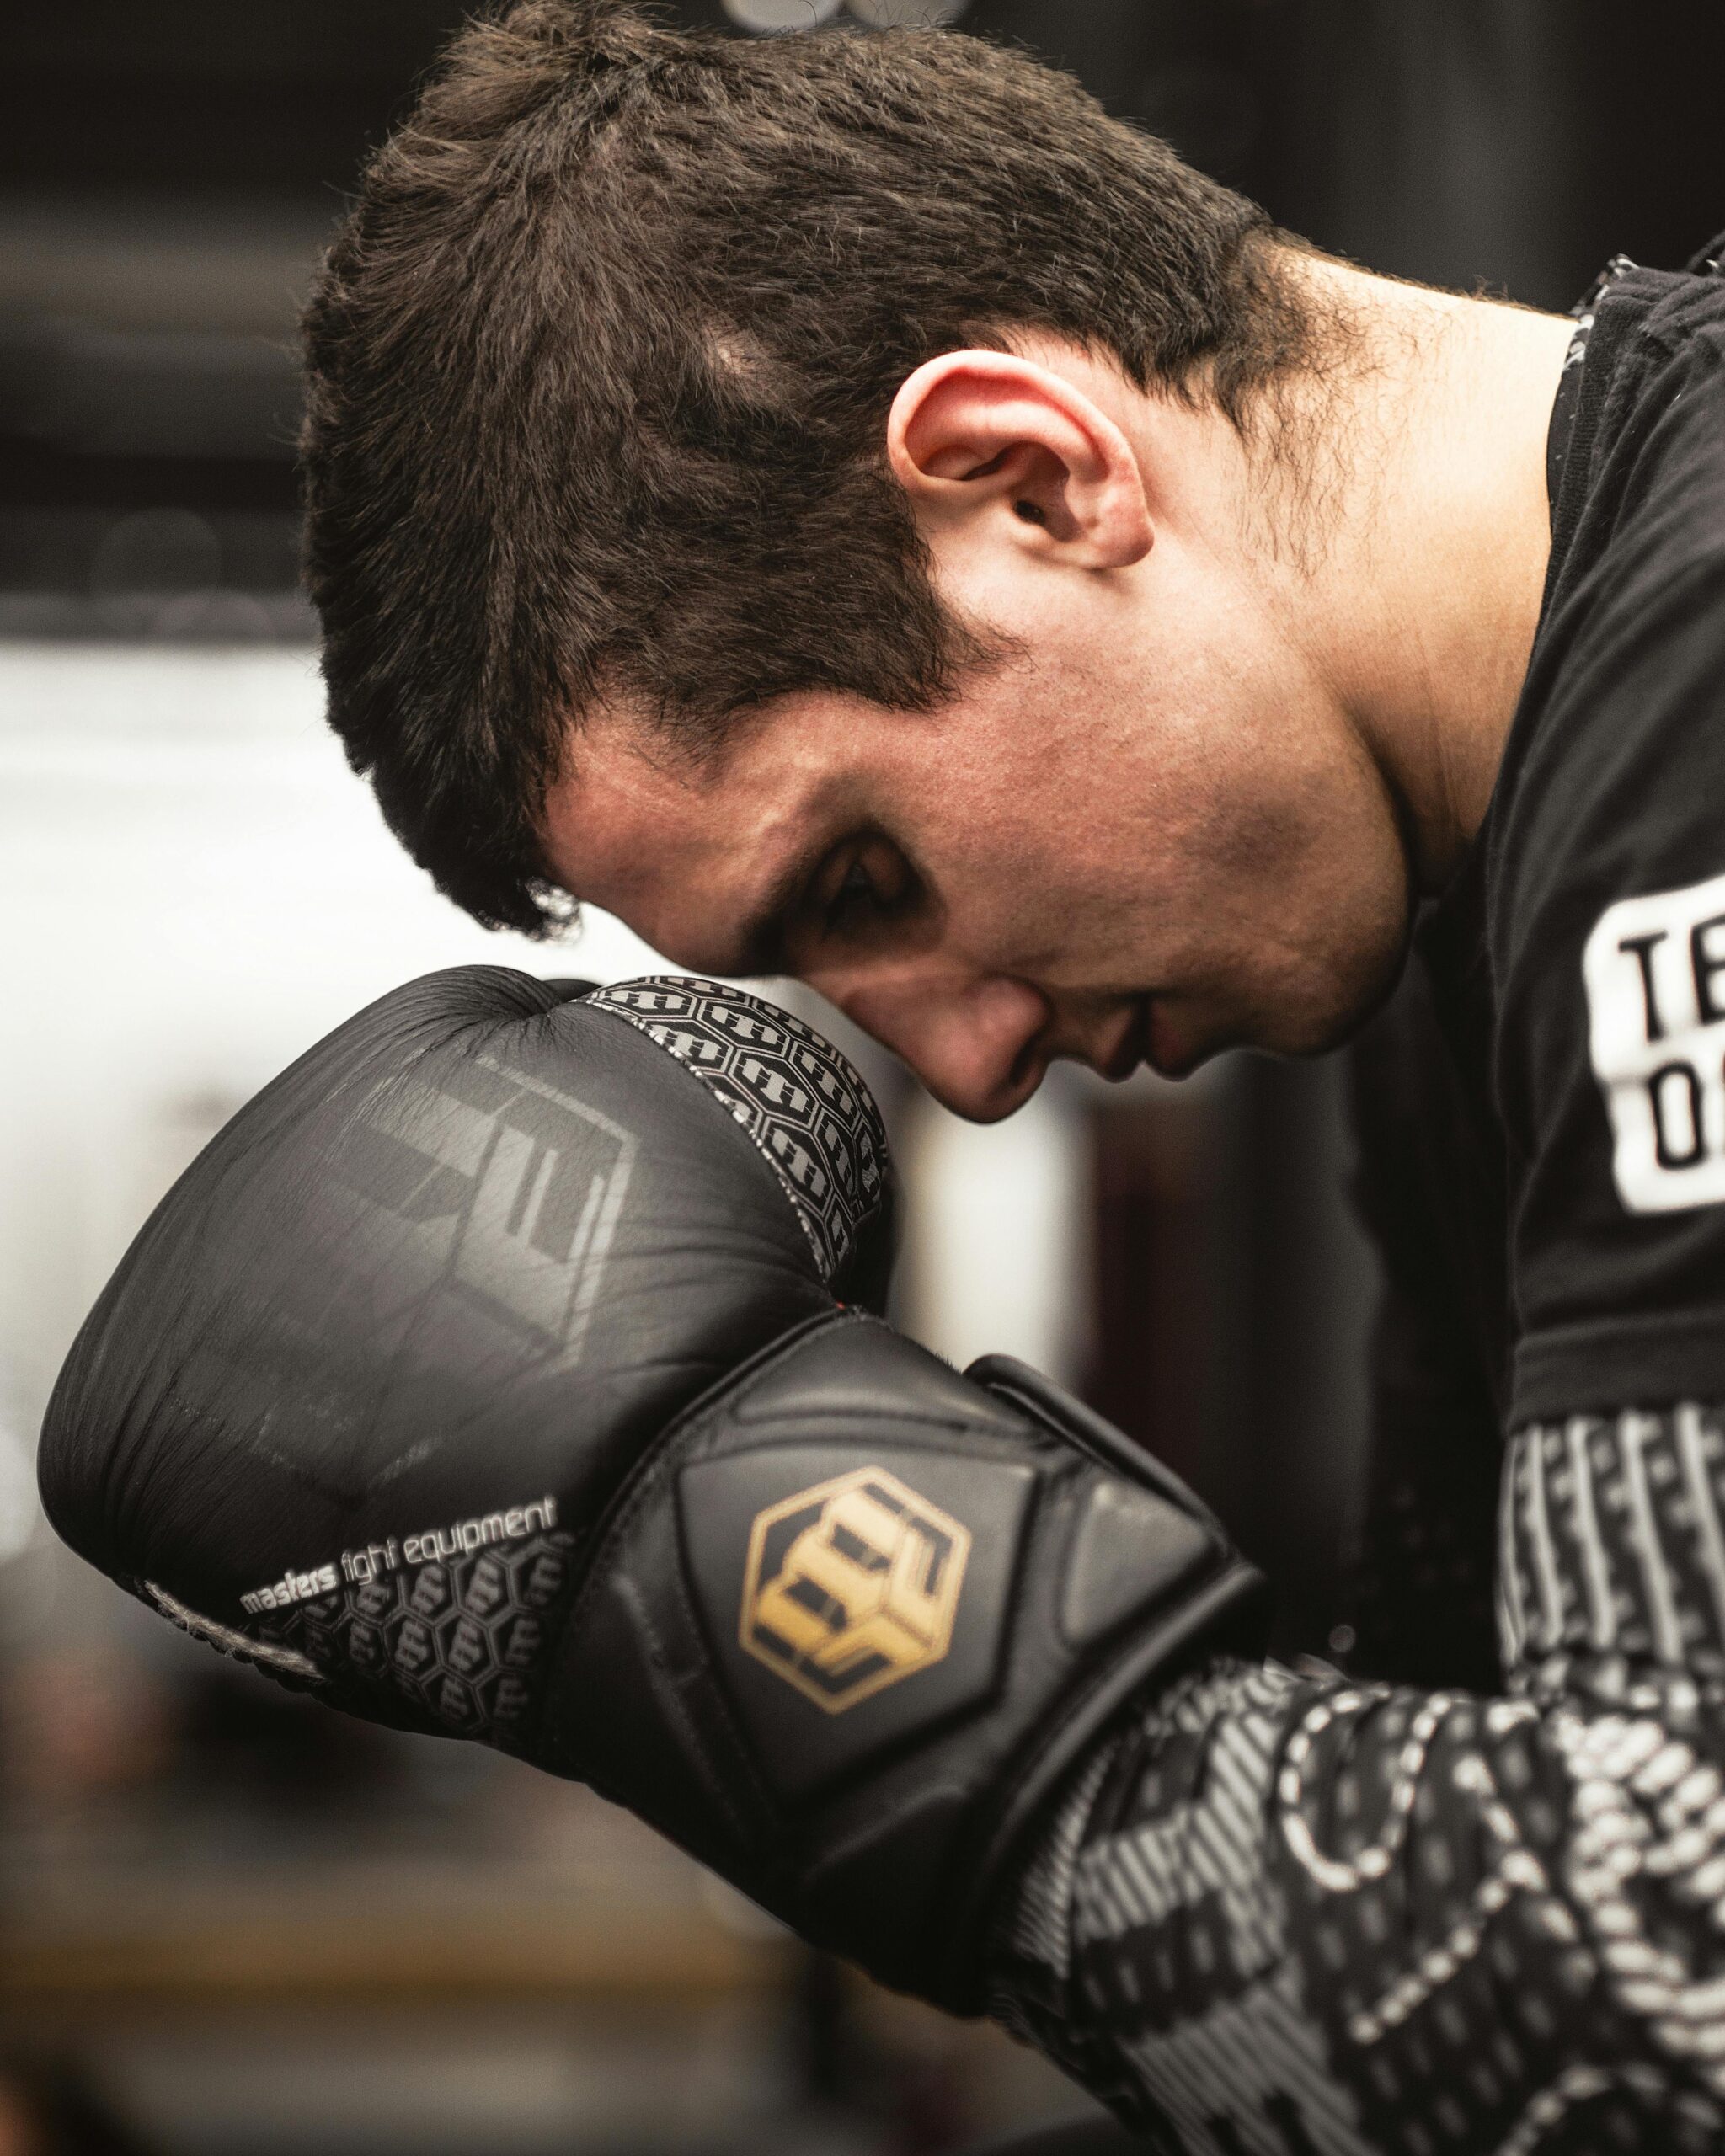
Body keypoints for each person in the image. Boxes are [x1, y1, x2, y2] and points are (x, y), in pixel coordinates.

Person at [80, 1, 1725, 2148]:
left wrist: (819, 1627)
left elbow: (1669, 1971)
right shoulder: (1479, 928)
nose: (961, 1067)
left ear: (1028, 474)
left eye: (861, 874)